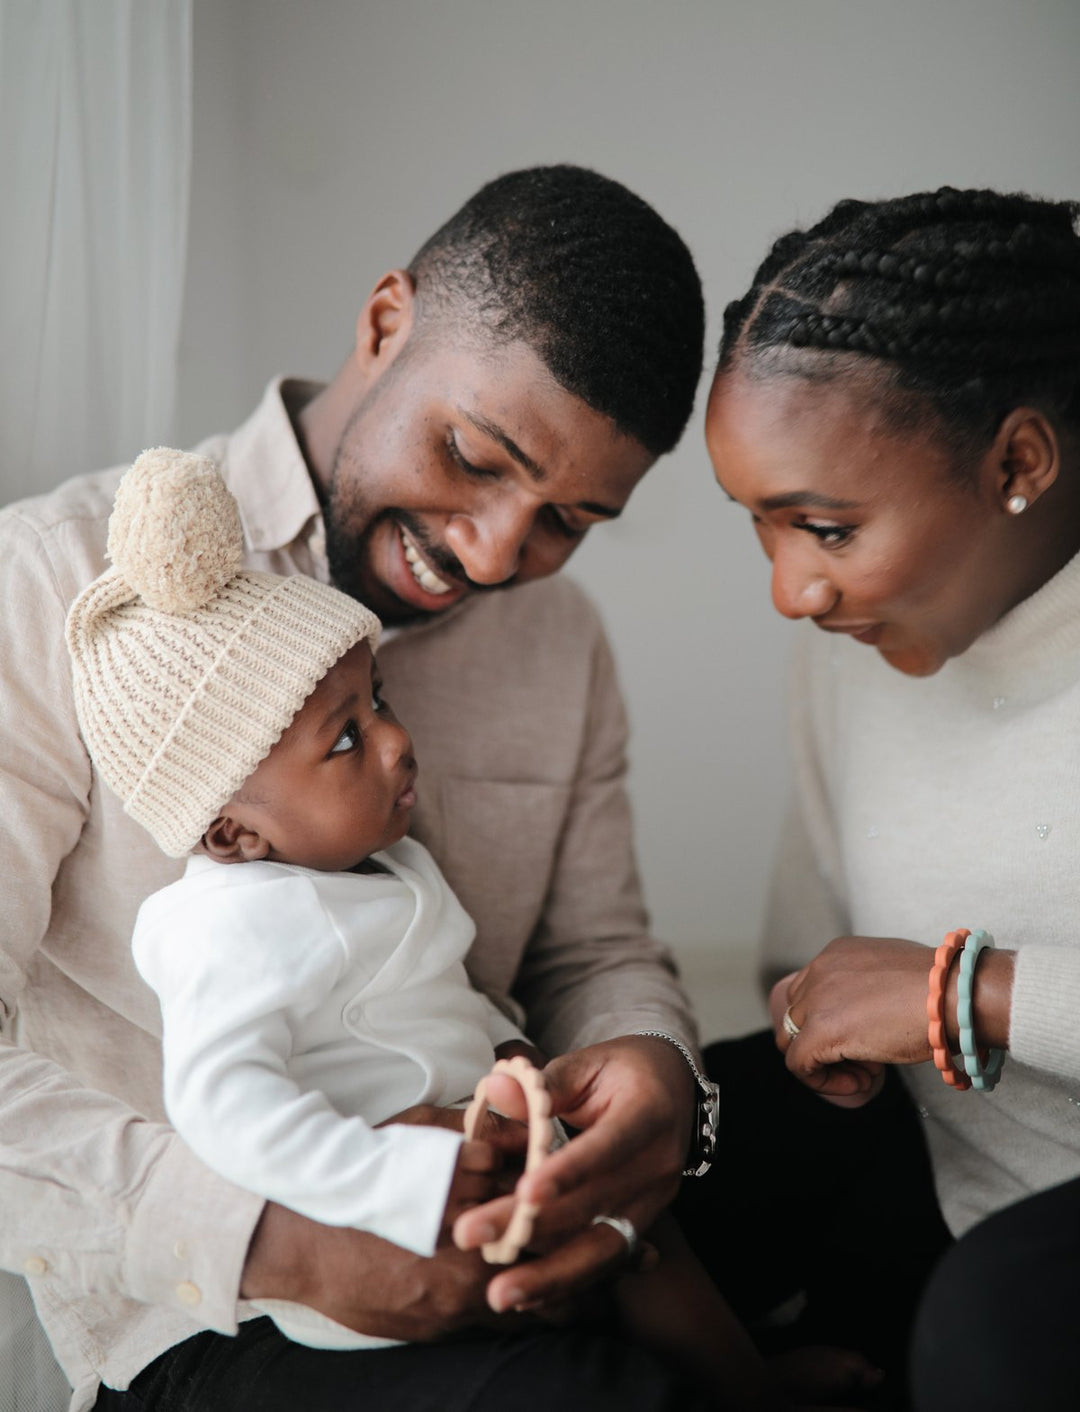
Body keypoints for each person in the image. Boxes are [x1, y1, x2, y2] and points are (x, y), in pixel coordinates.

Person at [0, 165, 717, 1412]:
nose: (497, 552)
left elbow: (595, 950)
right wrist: (281, 1240)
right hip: (217, 1313)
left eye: (568, 521)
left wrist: (655, 1067)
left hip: (503, 1182)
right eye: (475, 457)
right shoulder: (52, 586)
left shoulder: (559, 645)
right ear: (384, 323)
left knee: (868, 1161)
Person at [68, 447, 816, 1412]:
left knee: (643, 1232)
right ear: (231, 830)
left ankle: (752, 1386)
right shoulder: (233, 928)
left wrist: (511, 1049)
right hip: (378, 1220)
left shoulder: (378, 861)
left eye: (379, 699)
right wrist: (394, 1178)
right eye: (346, 738)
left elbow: (463, 987)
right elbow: (225, 1105)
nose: (394, 738)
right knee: (572, 1327)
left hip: (490, 1127)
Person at [700, 186, 1080, 1408]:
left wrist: (966, 991)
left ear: (1019, 458)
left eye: (824, 527)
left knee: (998, 1323)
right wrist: (827, 1025)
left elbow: (928, 988)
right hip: (941, 1168)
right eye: (763, 529)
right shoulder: (856, 643)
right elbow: (818, 953)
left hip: (1020, 1251)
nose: (791, 590)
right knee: (635, 1171)